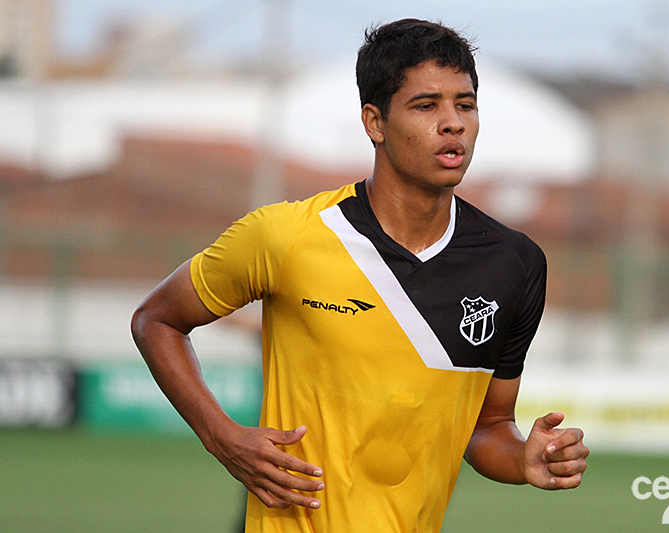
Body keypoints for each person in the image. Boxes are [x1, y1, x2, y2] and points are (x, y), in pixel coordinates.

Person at [131, 18, 589, 533]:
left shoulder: (514, 264)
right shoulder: (286, 237)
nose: (453, 123)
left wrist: (524, 459)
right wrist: (222, 437)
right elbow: (157, 319)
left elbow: (487, 427)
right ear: (375, 122)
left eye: (465, 104)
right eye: (426, 105)